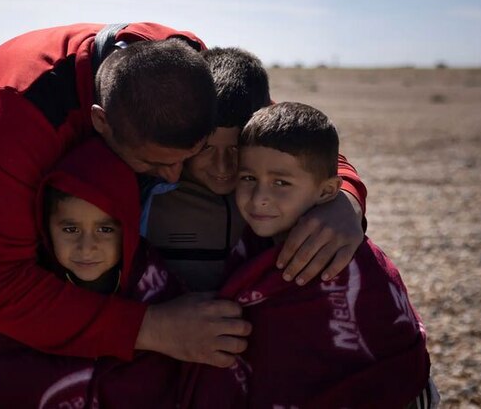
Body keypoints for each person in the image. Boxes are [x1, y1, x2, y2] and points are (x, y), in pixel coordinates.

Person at [0, 23, 366, 407]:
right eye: (156, 164)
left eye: (191, 154)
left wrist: (345, 195)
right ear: (100, 123)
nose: (178, 175)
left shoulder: (189, 66)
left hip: (71, 233)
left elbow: (283, 134)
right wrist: (154, 328)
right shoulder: (18, 105)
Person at [182, 102, 433, 408]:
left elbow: (391, 362)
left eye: (281, 183)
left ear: (328, 192)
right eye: (248, 178)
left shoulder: (350, 264)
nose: (260, 198)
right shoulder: (247, 242)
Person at [0, 137, 185, 408]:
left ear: (130, 228)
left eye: (105, 229)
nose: (87, 247)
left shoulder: (153, 286)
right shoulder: (28, 294)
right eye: (70, 229)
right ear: (46, 228)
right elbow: (2, 372)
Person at [146, 48, 366, 291]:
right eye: (205, 148)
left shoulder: (283, 195)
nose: (223, 166)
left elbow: (314, 157)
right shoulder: (150, 184)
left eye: (236, 148)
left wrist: (347, 198)